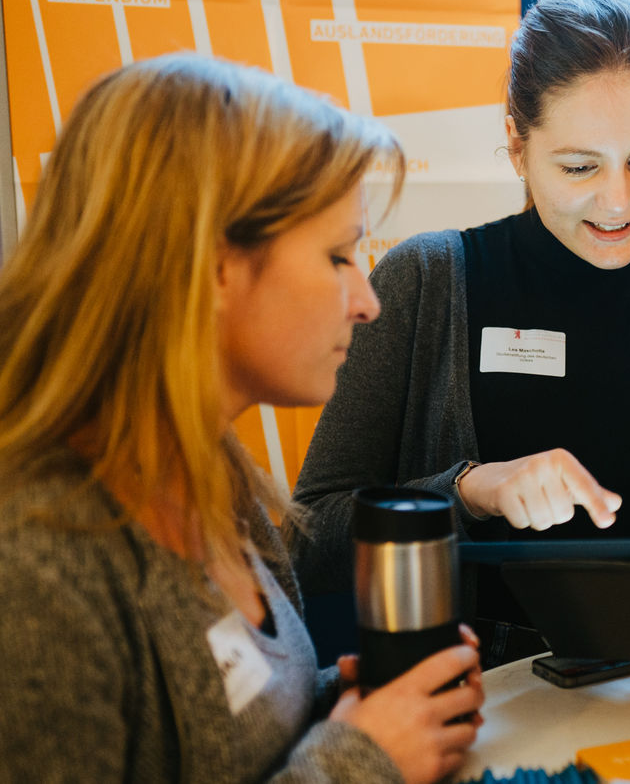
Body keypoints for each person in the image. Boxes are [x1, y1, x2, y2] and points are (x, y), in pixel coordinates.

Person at [0, 54, 483, 782]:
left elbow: (228, 741)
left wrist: (358, 703)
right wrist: (362, 758)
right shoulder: (35, 558)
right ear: (213, 262)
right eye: (337, 255)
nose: (367, 300)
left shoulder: (214, 475)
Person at [288, 0, 630, 673]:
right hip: (474, 697)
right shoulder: (425, 281)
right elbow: (312, 544)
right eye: (579, 166)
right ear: (517, 149)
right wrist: (469, 489)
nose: (618, 200)